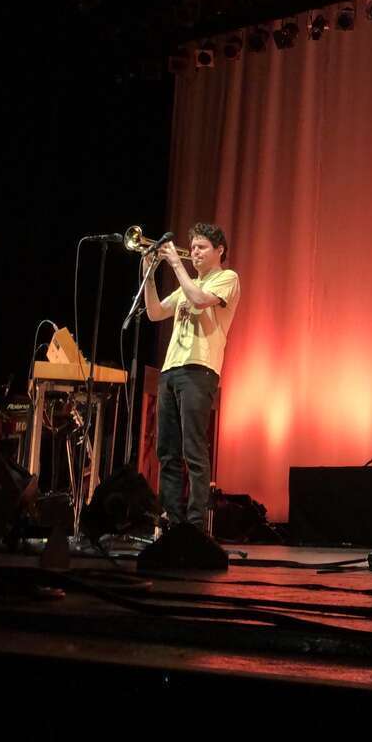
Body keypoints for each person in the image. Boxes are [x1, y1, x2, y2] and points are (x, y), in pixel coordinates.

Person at [143, 222, 240, 530]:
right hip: (171, 370)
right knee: (167, 452)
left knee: (193, 450)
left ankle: (195, 525)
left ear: (219, 251)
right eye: (193, 247)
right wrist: (148, 275)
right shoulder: (187, 286)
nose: (194, 253)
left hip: (199, 370)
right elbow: (155, 313)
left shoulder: (226, 278)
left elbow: (199, 300)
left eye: (201, 248)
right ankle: (172, 520)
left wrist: (175, 263)